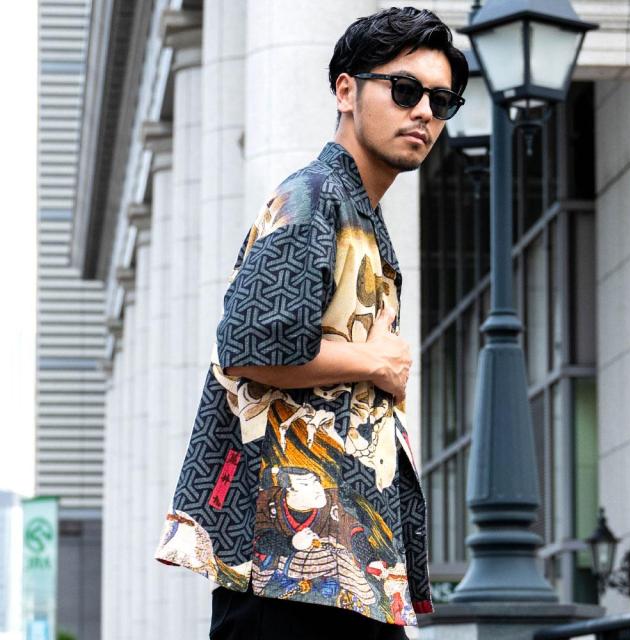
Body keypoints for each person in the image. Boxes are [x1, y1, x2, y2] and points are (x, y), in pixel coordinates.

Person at [154, 6, 468, 639]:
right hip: (289, 573)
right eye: (404, 90)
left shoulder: (358, 212)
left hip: (345, 567)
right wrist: (376, 361)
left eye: (441, 101)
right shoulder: (314, 196)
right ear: (346, 91)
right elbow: (248, 343)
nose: (424, 113)